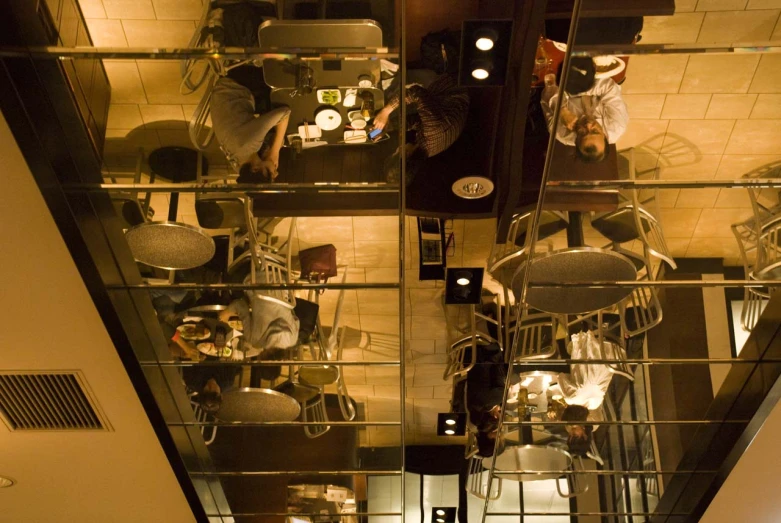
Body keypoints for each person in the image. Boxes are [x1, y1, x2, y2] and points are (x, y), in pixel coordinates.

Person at [207, 1, 291, 179]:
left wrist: (275, 150)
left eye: (271, 172)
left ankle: (270, 23)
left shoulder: (247, 146)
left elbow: (285, 113)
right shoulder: (239, 164)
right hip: (227, 95)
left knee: (282, 75)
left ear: (255, 168)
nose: (276, 171)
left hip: (235, 84)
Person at [372, 72, 470, 185]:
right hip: (453, 82)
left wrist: (390, 127)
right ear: (406, 154)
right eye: (396, 152)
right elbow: (416, 92)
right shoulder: (432, 131)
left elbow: (416, 121)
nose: (398, 147)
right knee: (395, 87)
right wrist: (385, 111)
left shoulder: (426, 149)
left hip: (441, 96)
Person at [541, 57, 629, 163]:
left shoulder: (561, 134)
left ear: (576, 141)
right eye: (595, 131)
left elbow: (548, 92)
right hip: (597, 73)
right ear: (605, 135)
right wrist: (578, 87)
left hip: (565, 75)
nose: (588, 125)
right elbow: (609, 88)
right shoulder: (617, 126)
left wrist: (561, 110)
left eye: (583, 133)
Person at [465, 343, 518, 457]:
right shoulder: (477, 419)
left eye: (498, 435)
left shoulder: (493, 399)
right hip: (472, 360)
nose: (502, 432)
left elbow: (501, 369)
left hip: (486, 351)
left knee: (518, 369)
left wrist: (510, 386)